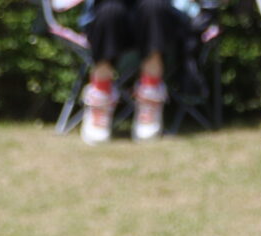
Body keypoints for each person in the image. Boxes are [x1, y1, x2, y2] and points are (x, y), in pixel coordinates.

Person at [77, 0, 190, 145]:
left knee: (154, 7)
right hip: (111, 14)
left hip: (156, 17)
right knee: (108, 11)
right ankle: (100, 96)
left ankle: (150, 95)